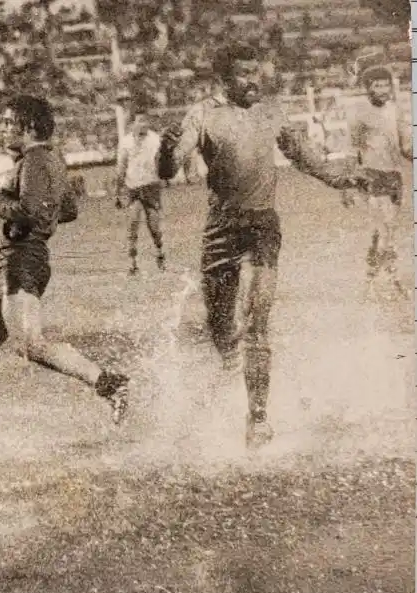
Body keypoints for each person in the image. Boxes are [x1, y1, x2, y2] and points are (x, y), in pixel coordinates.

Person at [156, 42, 370, 448]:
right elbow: (169, 167)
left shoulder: (272, 111)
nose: (254, 80)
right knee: (220, 330)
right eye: (244, 73)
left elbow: (303, 156)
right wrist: (166, 151)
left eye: (257, 71)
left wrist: (338, 179)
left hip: (262, 227)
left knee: (256, 322)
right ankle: (233, 378)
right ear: (223, 79)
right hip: (221, 230)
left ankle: (257, 418)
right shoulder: (203, 114)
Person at [0, 95, 130, 432]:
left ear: (31, 126)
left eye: (10, 122)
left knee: (31, 345)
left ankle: (110, 384)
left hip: (20, 259)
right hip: (19, 259)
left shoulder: (34, 160)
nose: (3, 128)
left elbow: (30, 212)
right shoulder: (50, 159)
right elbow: (68, 210)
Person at [348, 64, 412, 298]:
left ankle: (379, 275)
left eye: (386, 84)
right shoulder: (360, 113)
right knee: (384, 228)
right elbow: (353, 149)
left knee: (386, 230)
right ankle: (379, 279)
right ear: (368, 88)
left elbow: (406, 146)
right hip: (372, 174)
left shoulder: (396, 111)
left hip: (394, 176)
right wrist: (351, 183)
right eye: (377, 85)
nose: (383, 89)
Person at [115, 104, 167, 276]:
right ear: (133, 124)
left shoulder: (155, 139)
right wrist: (118, 190)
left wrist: (163, 177)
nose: (143, 124)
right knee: (133, 223)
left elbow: (161, 161)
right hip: (132, 187)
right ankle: (133, 264)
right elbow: (121, 166)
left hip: (151, 186)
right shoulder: (126, 142)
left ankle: (160, 253)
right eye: (139, 121)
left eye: (146, 121)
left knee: (154, 227)